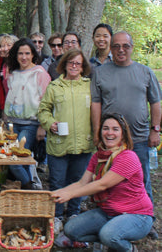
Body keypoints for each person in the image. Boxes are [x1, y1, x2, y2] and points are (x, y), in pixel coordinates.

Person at [91, 32, 161, 240]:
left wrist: (155, 130)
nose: (121, 50)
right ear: (110, 48)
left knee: (142, 179)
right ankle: (114, 217)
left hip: (138, 137)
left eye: (125, 46)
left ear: (132, 47)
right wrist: (97, 132)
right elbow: (96, 103)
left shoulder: (145, 72)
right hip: (110, 139)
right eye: (116, 46)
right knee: (107, 179)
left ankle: (146, 221)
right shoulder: (100, 72)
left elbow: (156, 102)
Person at [52, 113, 154, 252]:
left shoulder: (127, 157)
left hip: (137, 215)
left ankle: (128, 248)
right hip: (108, 212)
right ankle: (112, 236)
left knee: (108, 235)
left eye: (115, 129)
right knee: (71, 230)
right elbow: (82, 183)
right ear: (100, 132)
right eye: (105, 128)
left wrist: (70, 195)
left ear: (123, 134)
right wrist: (59, 192)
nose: (109, 133)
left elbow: (102, 184)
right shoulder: (98, 156)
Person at [38, 49, 94, 233]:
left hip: (83, 143)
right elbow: (43, 110)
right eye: (71, 63)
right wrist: (50, 123)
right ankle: (57, 216)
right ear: (64, 65)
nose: (74, 66)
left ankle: (74, 214)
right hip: (59, 144)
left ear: (83, 66)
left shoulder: (89, 86)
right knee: (57, 182)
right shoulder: (55, 86)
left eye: (78, 63)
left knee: (78, 181)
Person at [4, 38, 50, 189]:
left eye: (27, 53)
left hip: (30, 124)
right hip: (11, 124)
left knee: (15, 160)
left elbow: (46, 101)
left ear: (33, 55)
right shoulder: (14, 73)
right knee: (19, 160)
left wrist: (42, 126)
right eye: (20, 53)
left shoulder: (40, 73)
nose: (24, 57)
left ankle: (31, 188)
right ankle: (26, 195)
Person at [0, 34, 19, 111]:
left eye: (8, 45)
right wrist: (3, 106)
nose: (4, 49)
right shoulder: (2, 63)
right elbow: (0, 85)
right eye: (2, 46)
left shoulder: (20, 62)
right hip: (7, 104)